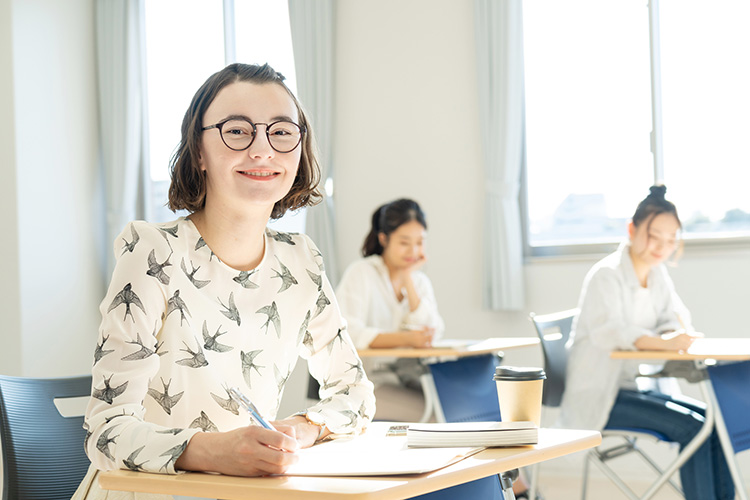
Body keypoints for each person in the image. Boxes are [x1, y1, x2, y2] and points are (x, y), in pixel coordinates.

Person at [73, 63, 375, 499]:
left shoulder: (301, 259)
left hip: (248, 491)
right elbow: (105, 432)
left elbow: (356, 393)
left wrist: (299, 429)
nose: (262, 151)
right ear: (198, 151)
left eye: (282, 132)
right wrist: (215, 451)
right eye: (237, 131)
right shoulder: (152, 250)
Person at [558, 185, 734, 500]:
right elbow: (610, 332)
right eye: (655, 236)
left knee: (714, 423)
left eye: (671, 240)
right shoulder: (606, 276)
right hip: (601, 397)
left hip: (634, 389)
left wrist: (671, 335)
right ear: (632, 229)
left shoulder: (657, 275)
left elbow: (675, 316)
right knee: (695, 429)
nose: (663, 247)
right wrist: (662, 342)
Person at [335, 198, 444, 421]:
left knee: (463, 406)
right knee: (438, 416)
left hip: (408, 379)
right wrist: (405, 339)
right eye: (405, 242)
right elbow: (348, 333)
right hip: (365, 386)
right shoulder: (361, 273)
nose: (413, 251)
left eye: (420, 242)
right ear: (383, 238)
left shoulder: (419, 281)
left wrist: (408, 279)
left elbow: (433, 332)